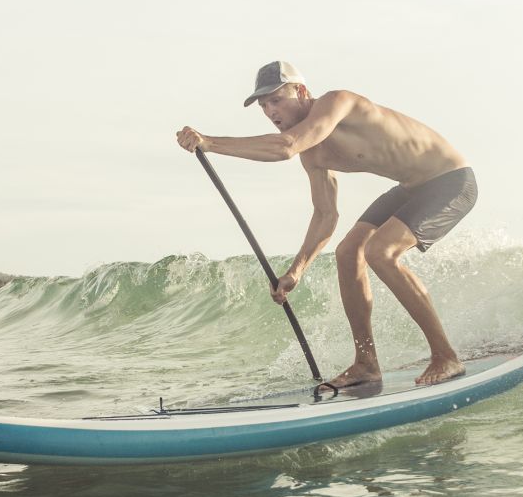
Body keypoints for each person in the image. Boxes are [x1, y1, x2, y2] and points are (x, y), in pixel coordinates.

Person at [176, 61, 476, 387]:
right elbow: (325, 215)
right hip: (410, 188)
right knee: (348, 252)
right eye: (263, 105)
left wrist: (210, 142)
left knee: (380, 251)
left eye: (276, 100)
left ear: (301, 91)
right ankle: (366, 364)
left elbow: (287, 146)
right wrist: (296, 271)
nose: (270, 111)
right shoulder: (314, 154)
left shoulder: (338, 103)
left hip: (450, 181)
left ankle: (446, 356)